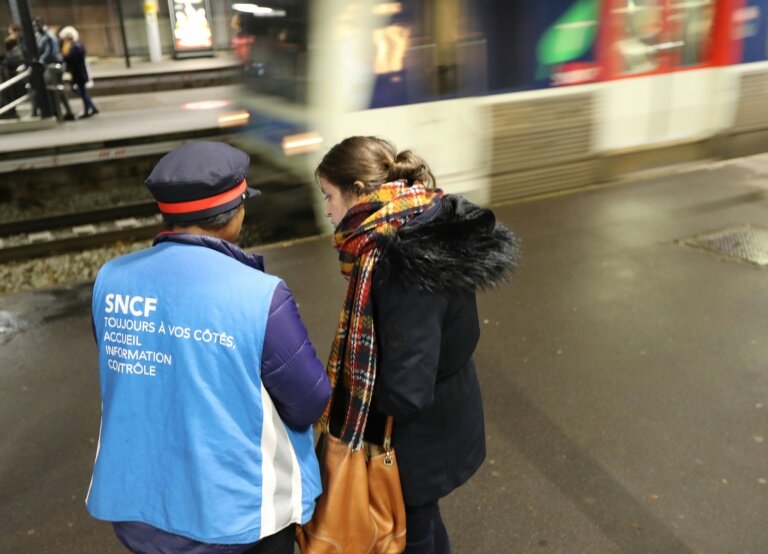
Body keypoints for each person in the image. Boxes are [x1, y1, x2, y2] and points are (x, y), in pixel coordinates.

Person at [87, 141, 331, 553]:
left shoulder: (111, 280)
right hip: (239, 515)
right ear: (235, 214)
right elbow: (309, 401)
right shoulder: (261, 295)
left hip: (141, 507)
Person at [314, 136, 520, 553]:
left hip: (418, 442)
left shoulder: (400, 259)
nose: (327, 209)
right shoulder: (416, 221)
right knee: (421, 526)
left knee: (412, 536)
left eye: (329, 196)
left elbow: (407, 391)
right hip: (442, 422)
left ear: (358, 191)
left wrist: (358, 407)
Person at [31, 17, 75, 120]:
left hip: (54, 65)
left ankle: (65, 111)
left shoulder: (49, 37)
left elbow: (48, 52)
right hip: (48, 65)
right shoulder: (39, 36)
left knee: (57, 88)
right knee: (53, 89)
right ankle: (57, 110)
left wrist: (40, 60)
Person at [58, 26, 98, 118]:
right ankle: (91, 107)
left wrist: (65, 58)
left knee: (82, 92)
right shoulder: (78, 45)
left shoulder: (74, 47)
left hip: (78, 73)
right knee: (82, 91)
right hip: (79, 73)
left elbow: (72, 60)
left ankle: (88, 110)